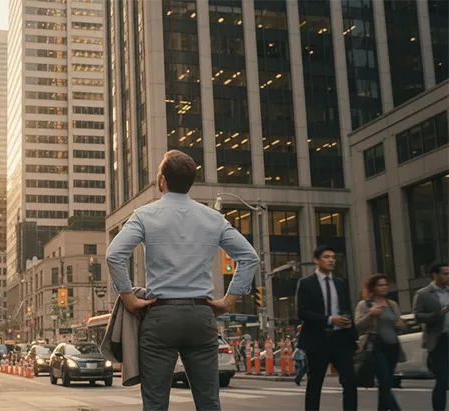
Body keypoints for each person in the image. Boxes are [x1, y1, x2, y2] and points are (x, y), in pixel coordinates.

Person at [105, 150, 259, 411]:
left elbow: (114, 255)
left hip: (161, 316)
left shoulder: (145, 215)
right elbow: (250, 257)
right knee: (209, 401)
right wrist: (227, 302)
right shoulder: (213, 218)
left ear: (161, 181)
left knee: (155, 403)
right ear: (190, 183)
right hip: (201, 315)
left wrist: (129, 299)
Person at [296, 245, 358, 411]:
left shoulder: (341, 283)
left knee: (350, 383)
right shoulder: (306, 283)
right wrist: (330, 320)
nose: (331, 260)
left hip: (341, 340)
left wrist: (353, 337)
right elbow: (302, 312)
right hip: (317, 340)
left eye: (333, 257)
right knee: (315, 384)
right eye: (327, 257)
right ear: (317, 260)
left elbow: (347, 309)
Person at [355, 274, 405, 411]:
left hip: (393, 345)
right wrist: (370, 314)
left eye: (385, 285)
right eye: (380, 285)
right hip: (376, 345)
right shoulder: (365, 304)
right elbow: (358, 324)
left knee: (386, 384)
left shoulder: (392, 304)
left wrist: (401, 325)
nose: (384, 287)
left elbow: (399, 323)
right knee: (383, 381)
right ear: (373, 287)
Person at [412, 262, 449, 411]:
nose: (448, 277)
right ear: (435, 275)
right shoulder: (423, 294)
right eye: (445, 274)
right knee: (442, 379)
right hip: (438, 340)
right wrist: (438, 314)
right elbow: (417, 316)